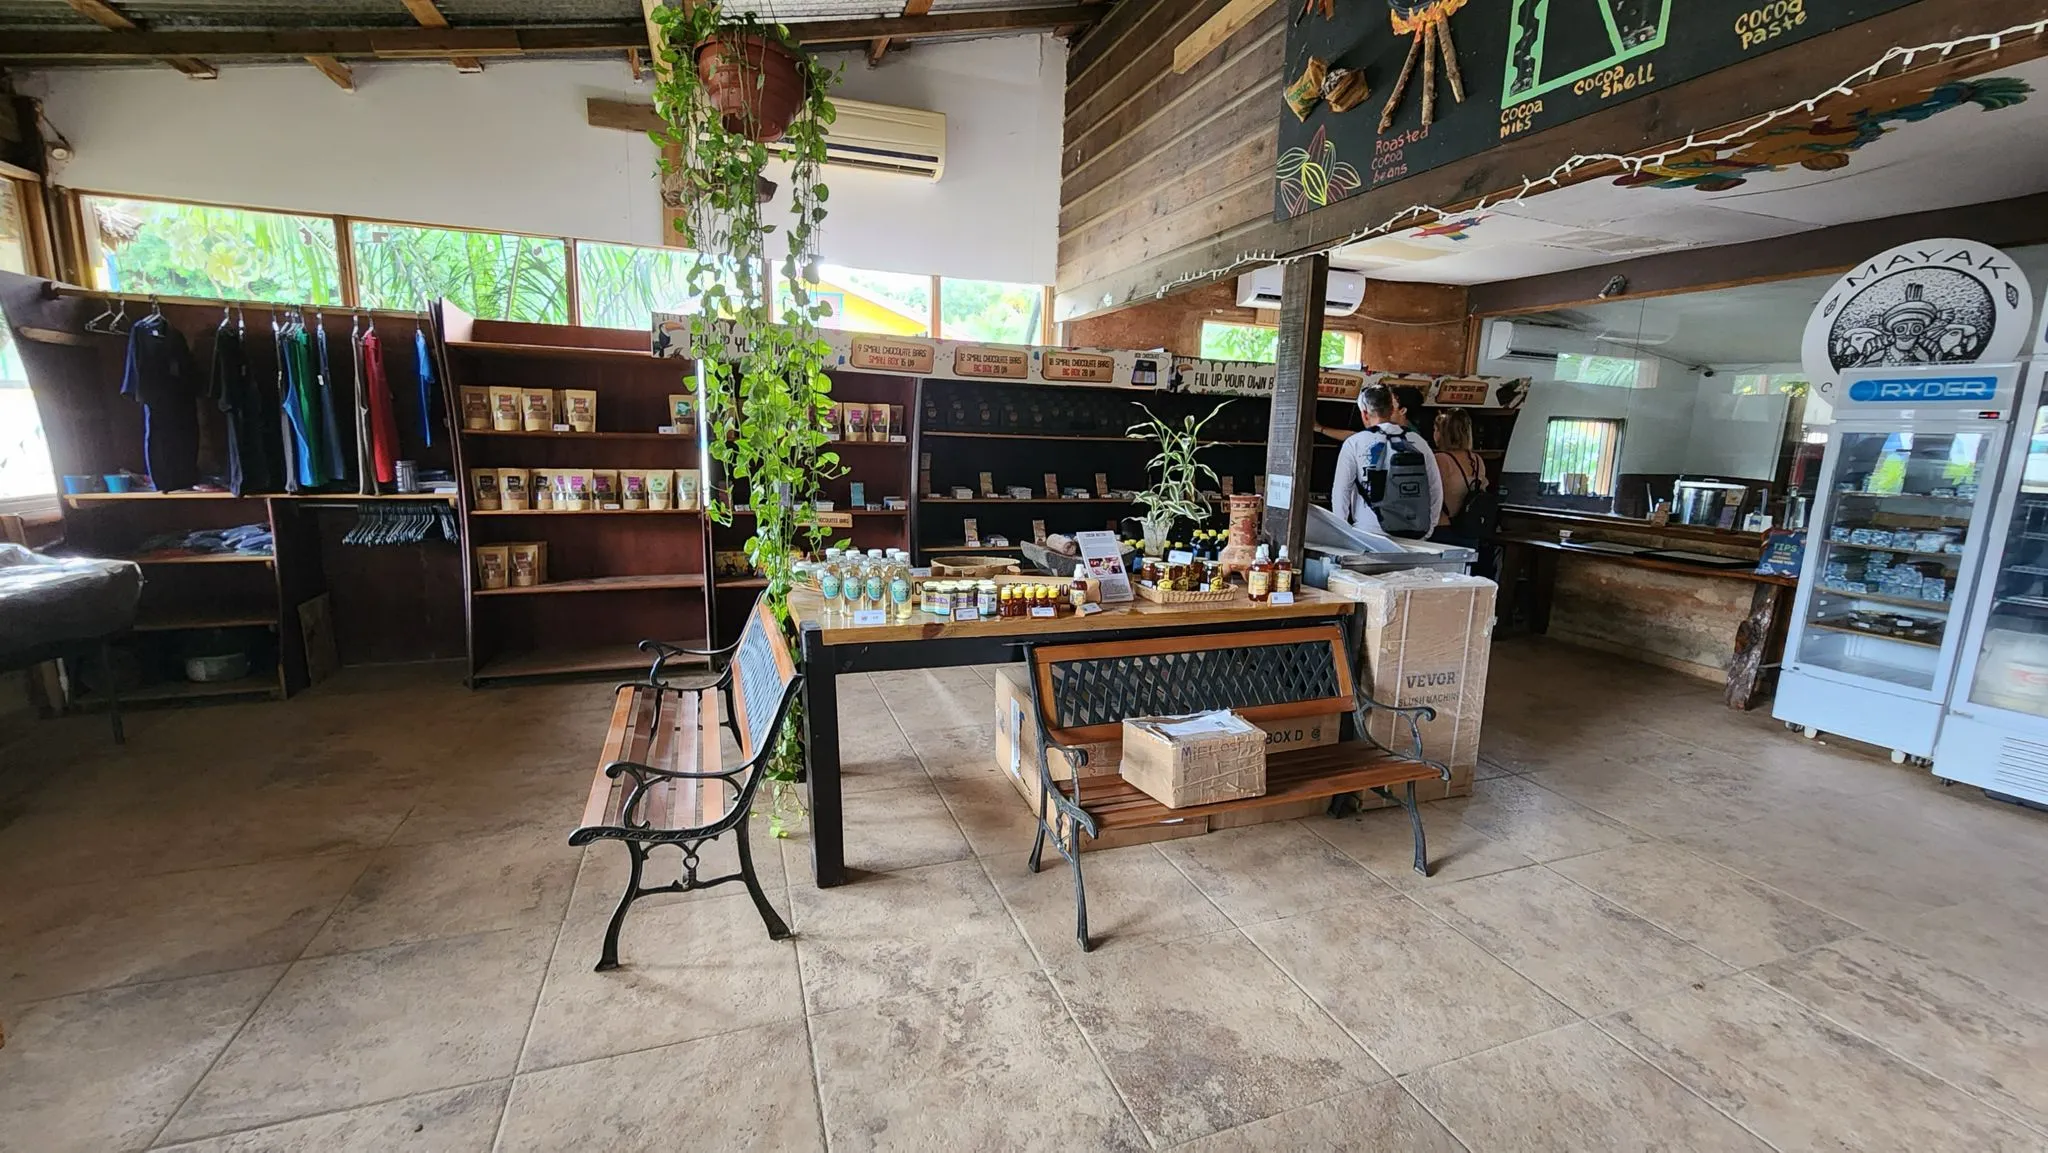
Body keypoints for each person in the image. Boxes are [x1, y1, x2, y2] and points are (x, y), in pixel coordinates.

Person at [1330, 383, 1441, 539]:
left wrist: (1342, 533)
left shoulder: (1354, 443)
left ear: (1365, 414)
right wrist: (1428, 529)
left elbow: (1341, 491)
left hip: (1367, 532)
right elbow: (1435, 489)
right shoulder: (1418, 442)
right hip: (1411, 531)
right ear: (1391, 410)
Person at [1432, 408, 1497, 578]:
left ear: (1443, 433)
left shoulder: (1440, 460)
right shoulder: (1476, 459)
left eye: (1436, 429)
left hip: (1442, 530)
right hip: (1470, 530)